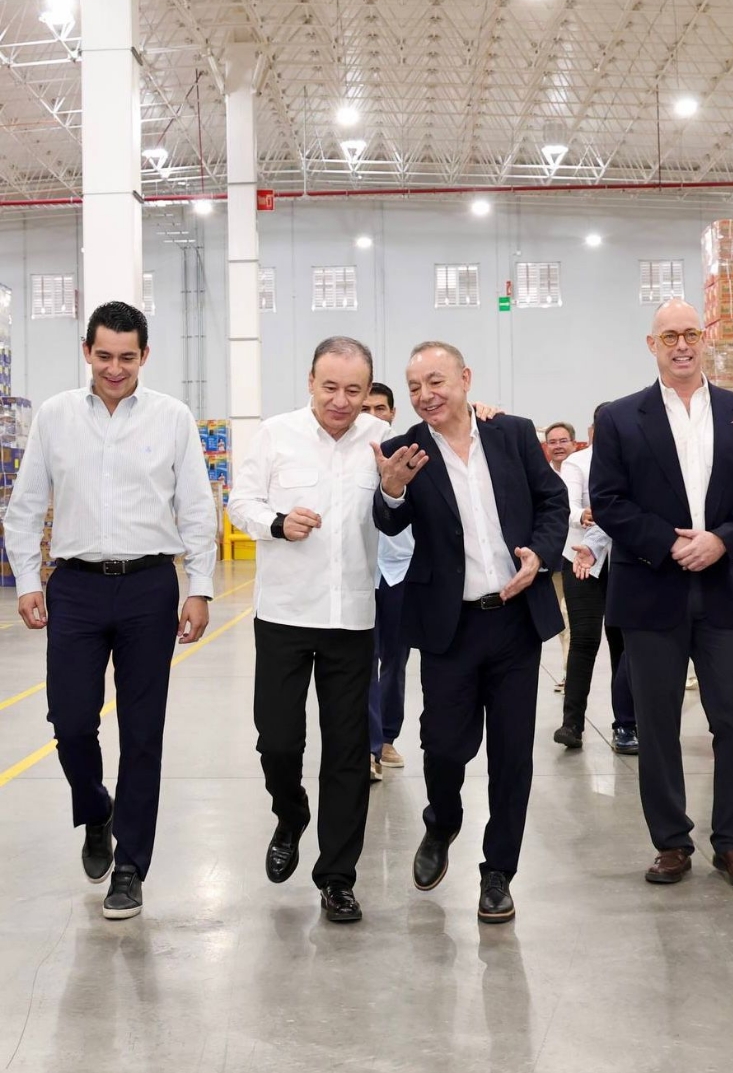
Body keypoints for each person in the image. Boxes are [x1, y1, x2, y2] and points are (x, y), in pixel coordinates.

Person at [3, 300, 216, 921]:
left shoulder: (172, 418)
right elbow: (25, 506)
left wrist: (200, 587)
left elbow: (196, 507)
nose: (115, 369)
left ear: (144, 356)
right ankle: (96, 811)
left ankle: (130, 867)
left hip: (150, 587)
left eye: (127, 357)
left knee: (143, 730)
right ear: (86, 352)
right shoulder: (56, 416)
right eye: (104, 356)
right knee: (70, 722)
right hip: (76, 587)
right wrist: (27, 580)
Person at [372, 341, 568, 924]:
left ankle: (498, 871)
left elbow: (552, 501)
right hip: (448, 626)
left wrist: (542, 555)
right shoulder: (404, 450)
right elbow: (388, 522)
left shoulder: (511, 434)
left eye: (436, 381)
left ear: (465, 378)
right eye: (414, 387)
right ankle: (442, 822)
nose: (425, 395)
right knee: (443, 745)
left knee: (512, 754)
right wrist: (391, 489)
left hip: (513, 621)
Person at [590, 300, 733, 890]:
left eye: (691, 333)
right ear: (652, 345)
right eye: (669, 335)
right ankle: (671, 842)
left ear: (704, 340)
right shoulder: (620, 417)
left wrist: (722, 541)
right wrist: (668, 544)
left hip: (724, 589)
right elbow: (609, 499)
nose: (681, 345)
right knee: (657, 723)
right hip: (651, 588)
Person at [227, 337, 389, 924]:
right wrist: (276, 522)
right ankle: (290, 812)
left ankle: (337, 878)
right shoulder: (276, 434)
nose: (341, 401)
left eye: (353, 390)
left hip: (351, 619)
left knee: (347, 753)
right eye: (330, 387)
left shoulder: (382, 440)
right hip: (284, 615)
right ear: (310, 382)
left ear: (367, 391)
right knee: (277, 740)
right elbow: (239, 502)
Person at [552, 403, 638, 755]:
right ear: (592, 432)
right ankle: (572, 723)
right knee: (584, 640)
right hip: (581, 560)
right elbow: (566, 504)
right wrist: (582, 515)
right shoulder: (578, 463)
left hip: (625, 561)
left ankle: (626, 725)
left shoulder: (634, 460)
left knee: (623, 642)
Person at [362, 382, 413, 779]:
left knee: (395, 659)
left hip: (400, 569)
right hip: (361, 571)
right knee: (363, 659)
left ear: (393, 413)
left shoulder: (410, 454)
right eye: (366, 409)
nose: (373, 416)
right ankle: (369, 745)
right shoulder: (346, 457)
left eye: (380, 408)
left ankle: (388, 736)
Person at [543, 421, 577, 689]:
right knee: (561, 620)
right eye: (552, 442)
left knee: (571, 616)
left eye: (563, 441)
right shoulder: (542, 476)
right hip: (553, 560)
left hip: (579, 558)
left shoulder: (585, 471)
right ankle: (570, 672)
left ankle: (571, 674)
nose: (558, 446)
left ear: (574, 444)